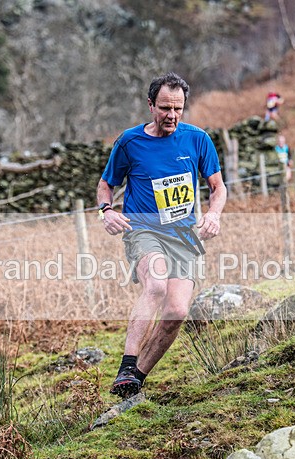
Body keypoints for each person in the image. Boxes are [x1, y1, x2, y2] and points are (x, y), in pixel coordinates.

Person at [96, 72, 227, 399]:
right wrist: (107, 210)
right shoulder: (130, 142)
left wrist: (213, 214)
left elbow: (218, 187)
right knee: (155, 284)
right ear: (151, 105)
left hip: (184, 237)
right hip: (143, 230)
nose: (171, 116)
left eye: (178, 109)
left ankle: (134, 380)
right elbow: (105, 184)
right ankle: (127, 363)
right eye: (165, 108)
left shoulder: (198, 139)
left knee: (177, 312)